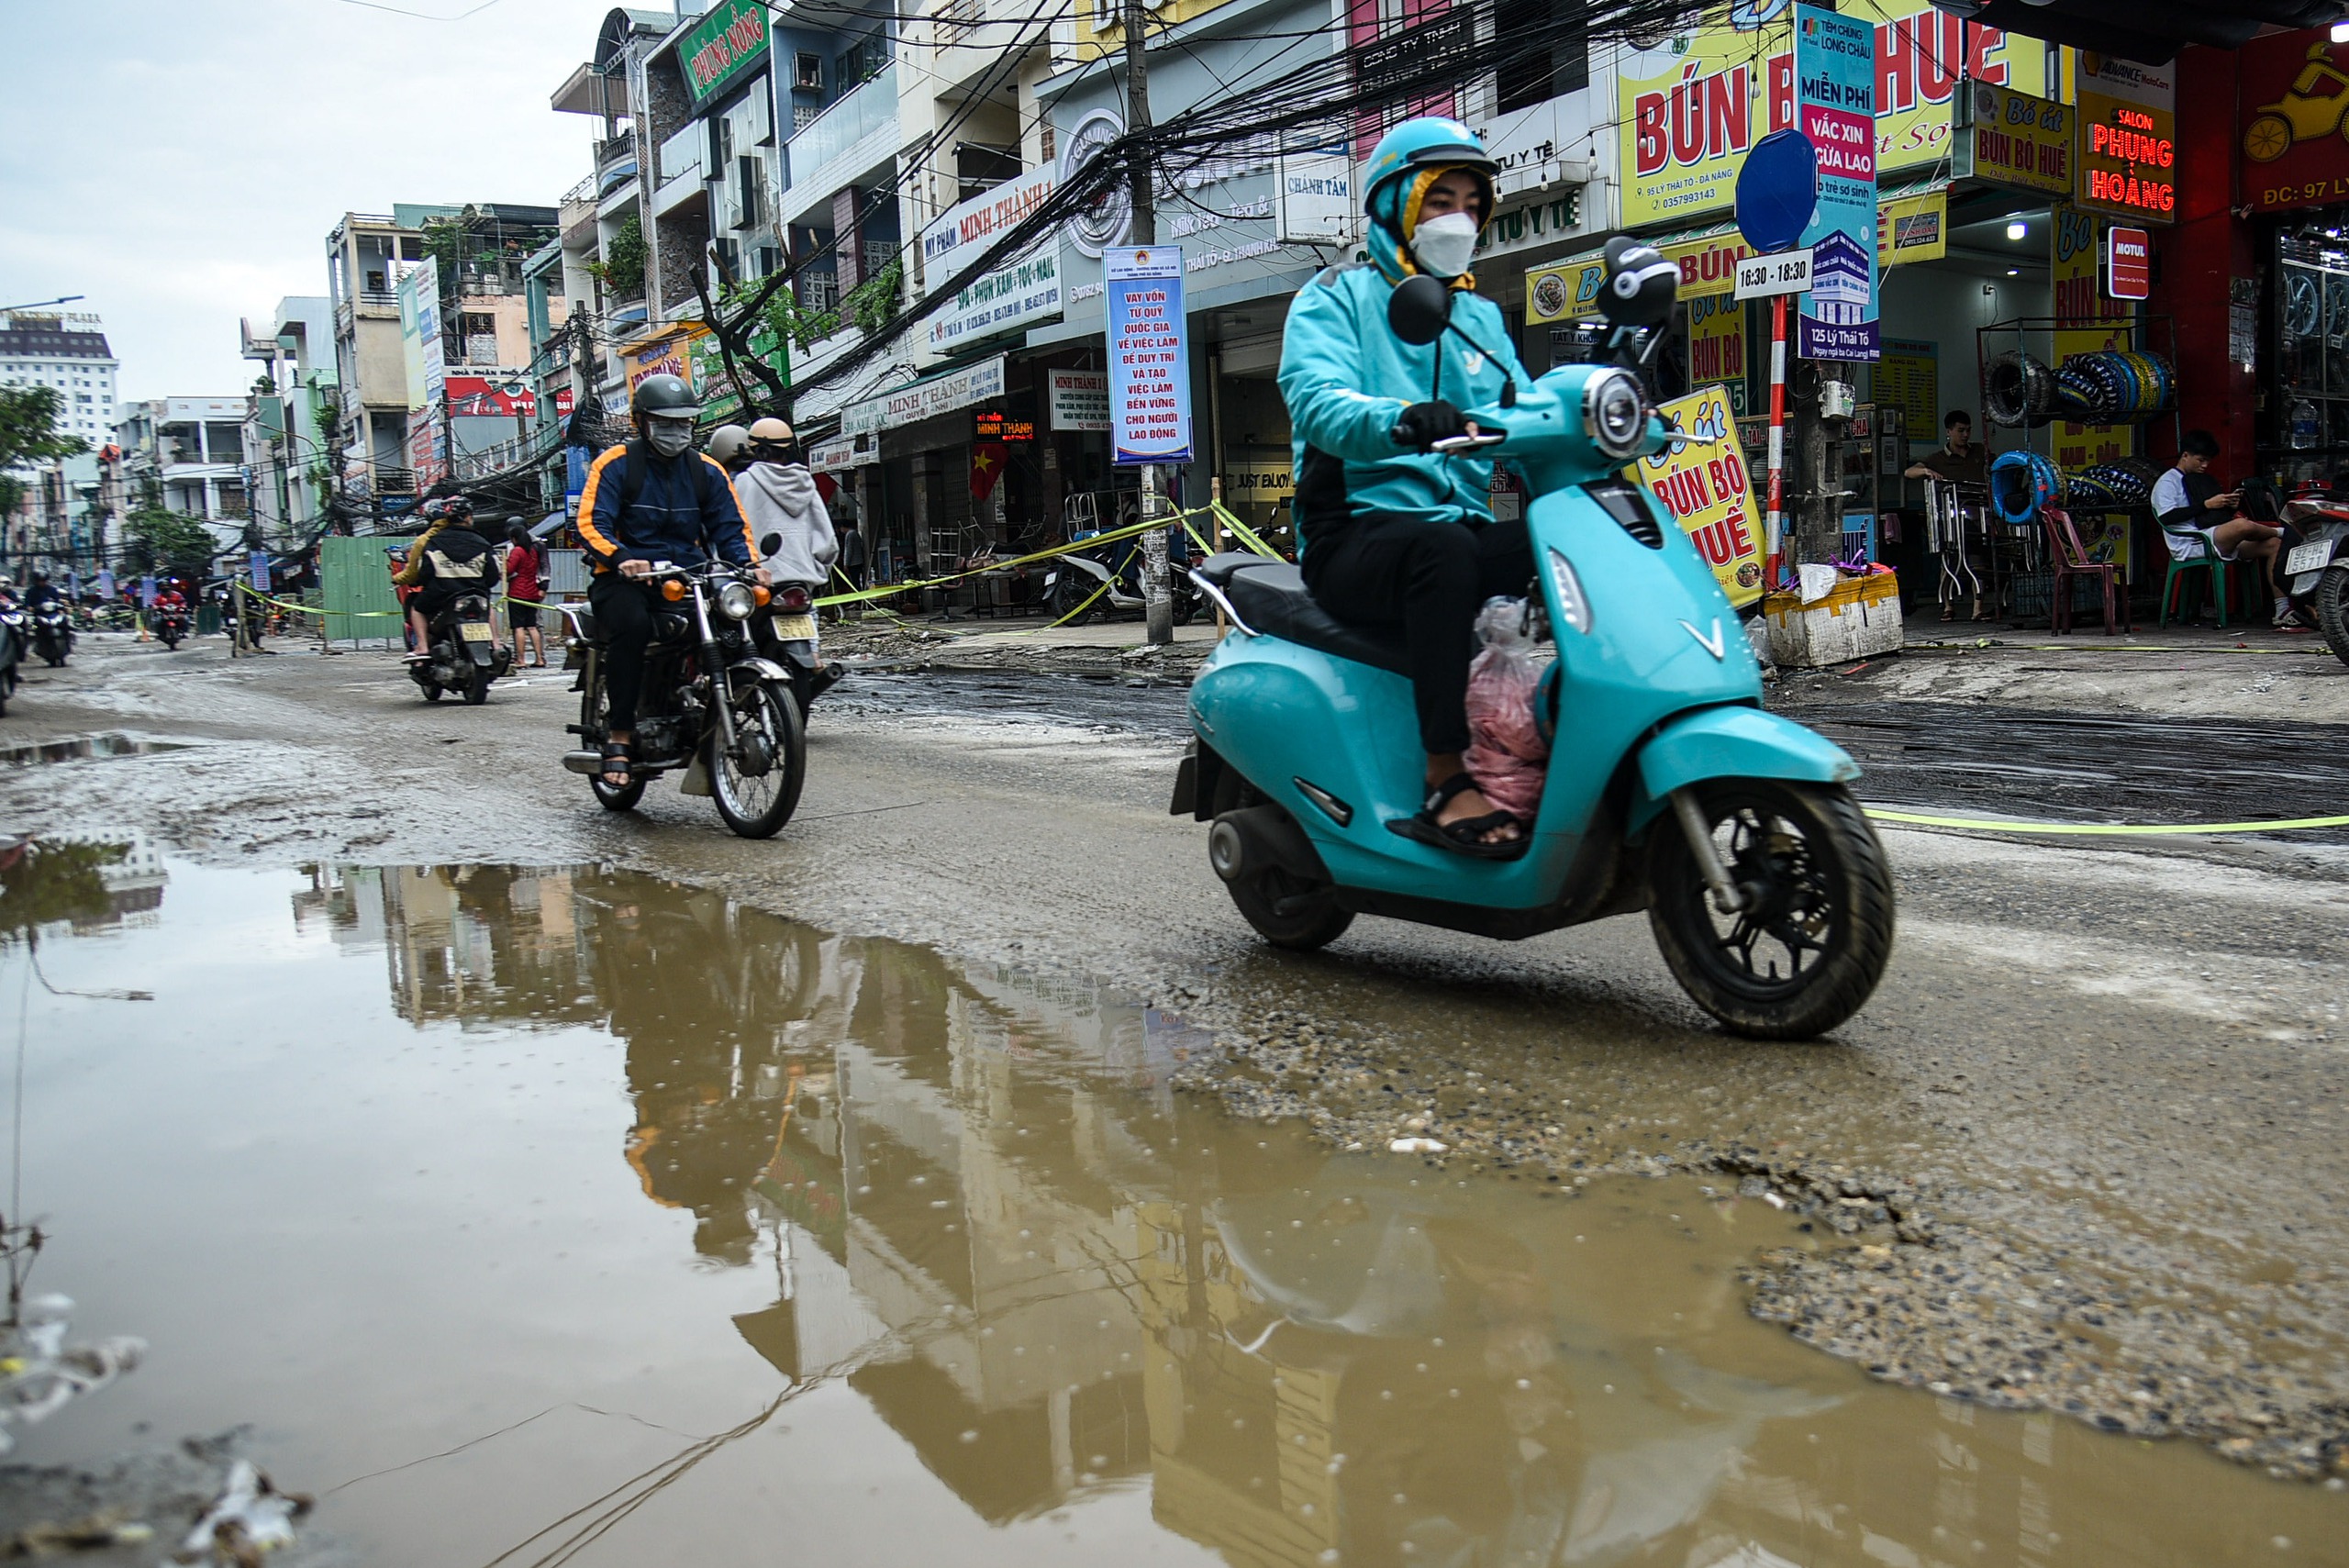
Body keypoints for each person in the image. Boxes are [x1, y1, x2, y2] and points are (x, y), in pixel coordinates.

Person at [1278, 115, 1530, 857]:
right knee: (1442, 553)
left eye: (1471, 204)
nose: (1458, 219)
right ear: (1394, 206)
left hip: (1453, 523)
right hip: (1352, 533)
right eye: (1438, 200)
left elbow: (1524, 404)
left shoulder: (1477, 315)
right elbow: (1318, 402)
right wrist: (1401, 420)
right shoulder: (1335, 299)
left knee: (1565, 544)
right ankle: (1445, 775)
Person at [575, 373, 765, 787]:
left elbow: (732, 529)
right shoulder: (615, 464)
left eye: (684, 423)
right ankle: (620, 738)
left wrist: (749, 567)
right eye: (664, 422)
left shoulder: (707, 471)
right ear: (640, 421)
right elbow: (591, 523)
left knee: (735, 621)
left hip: (688, 577)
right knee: (634, 627)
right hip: (625, 580)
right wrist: (622, 557)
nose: (675, 431)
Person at [2152, 430, 2287, 627]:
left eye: (2208, 461)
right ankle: (2283, 530)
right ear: (2185, 455)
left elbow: (2209, 515)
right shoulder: (2167, 482)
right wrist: (2207, 505)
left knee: (2274, 545)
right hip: (2191, 541)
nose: (2204, 466)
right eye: (2200, 460)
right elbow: (2167, 517)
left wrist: (2228, 505)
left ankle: (2282, 609)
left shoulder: (2200, 480)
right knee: (2242, 525)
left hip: (2213, 535)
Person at [394, 495, 503, 659]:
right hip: (475, 592)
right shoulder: (483, 543)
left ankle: (422, 646)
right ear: (468, 517)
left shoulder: (432, 542)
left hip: (441, 595)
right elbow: (493, 575)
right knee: (488, 606)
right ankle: (496, 644)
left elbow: (424, 572)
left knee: (416, 608)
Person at [736, 418, 837, 591]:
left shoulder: (743, 482)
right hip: (803, 585)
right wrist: (814, 573)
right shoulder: (805, 483)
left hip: (758, 583)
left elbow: (732, 534)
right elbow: (829, 546)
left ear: (755, 450)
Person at [505, 522, 550, 669]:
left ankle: (521, 659)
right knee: (532, 626)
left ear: (515, 539)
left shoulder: (517, 551)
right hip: (532, 591)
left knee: (518, 627)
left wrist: (503, 564)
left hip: (517, 591)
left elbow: (509, 570)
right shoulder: (533, 551)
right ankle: (539, 658)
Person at [1904, 409, 1986, 487]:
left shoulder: (1979, 450)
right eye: (1961, 430)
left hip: (1980, 499)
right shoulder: (1938, 458)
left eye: (1968, 430)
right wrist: (1925, 471)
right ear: (1948, 432)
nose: (1966, 435)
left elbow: (1996, 466)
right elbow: (1908, 472)